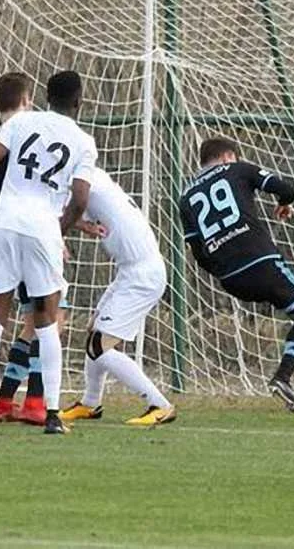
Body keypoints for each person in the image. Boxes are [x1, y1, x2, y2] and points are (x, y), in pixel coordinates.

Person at [0, 70, 98, 436]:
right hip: (42, 228)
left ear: (45, 97)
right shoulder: (83, 141)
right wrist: (57, 230)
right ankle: (51, 413)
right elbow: (80, 200)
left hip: (5, 223)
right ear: (79, 101)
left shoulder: (21, 122)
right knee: (47, 319)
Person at [179, 137, 294, 413]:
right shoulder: (237, 169)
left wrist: (222, 268)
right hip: (261, 261)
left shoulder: (186, 196)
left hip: (230, 278)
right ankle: (283, 377)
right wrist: (285, 203)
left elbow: (198, 252)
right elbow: (287, 189)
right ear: (227, 156)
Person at [60, 167, 173, 427]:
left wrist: (60, 231)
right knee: (94, 332)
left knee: (100, 345)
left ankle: (160, 405)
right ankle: (90, 403)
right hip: (129, 271)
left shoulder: (86, 179)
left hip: (142, 275)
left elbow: (70, 208)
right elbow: (70, 212)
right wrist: (82, 225)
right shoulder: (91, 180)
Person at [0, 72, 50, 425]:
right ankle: (36, 401)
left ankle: (3, 400)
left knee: (26, 320)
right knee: (49, 318)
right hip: (33, 235)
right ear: (26, 100)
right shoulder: (29, 135)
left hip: (1, 235)